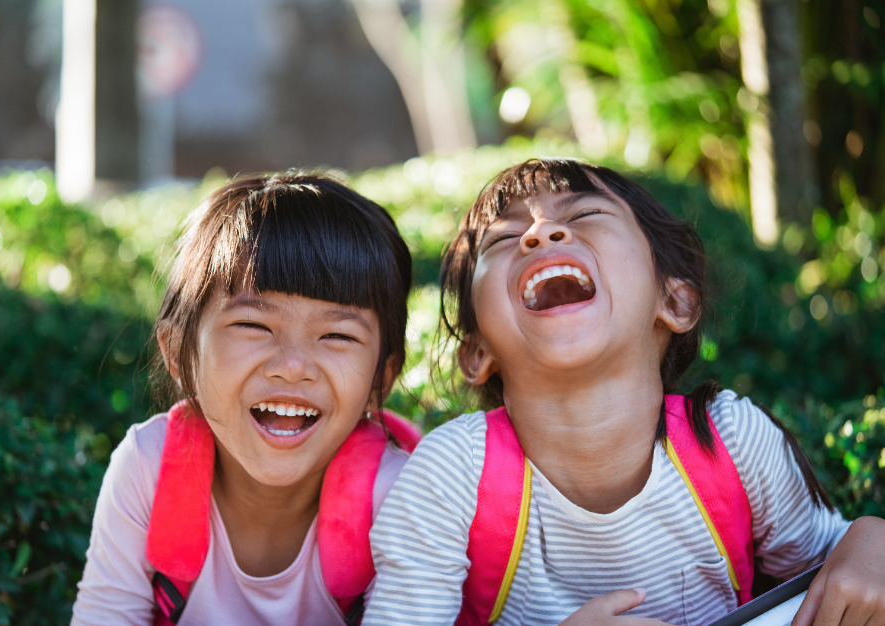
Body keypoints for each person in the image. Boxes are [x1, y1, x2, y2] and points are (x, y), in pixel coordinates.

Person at [362, 159, 885, 626]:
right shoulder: (452, 475)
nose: (540, 234)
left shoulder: (732, 443)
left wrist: (871, 542)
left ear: (674, 301)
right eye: (503, 239)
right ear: (477, 352)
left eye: (583, 216)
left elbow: (837, 572)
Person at [72, 173, 416, 625]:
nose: (293, 365)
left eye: (337, 335)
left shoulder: (398, 496)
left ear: (380, 378)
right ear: (180, 352)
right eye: (254, 326)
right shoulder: (148, 470)